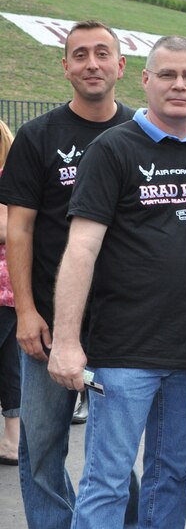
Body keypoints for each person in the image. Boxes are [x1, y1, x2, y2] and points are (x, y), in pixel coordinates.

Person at [47, 35, 186, 528]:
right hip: (122, 355)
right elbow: (80, 249)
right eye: (167, 74)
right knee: (108, 479)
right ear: (145, 79)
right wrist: (66, 342)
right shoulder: (113, 149)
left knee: (171, 477)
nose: (179, 85)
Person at [0, 20, 139, 529]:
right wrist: (27, 312)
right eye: (79, 54)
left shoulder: (143, 134)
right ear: (65, 67)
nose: (91, 63)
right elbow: (20, 230)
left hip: (124, 324)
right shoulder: (38, 137)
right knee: (41, 450)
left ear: (121, 66)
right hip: (48, 326)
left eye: (102, 53)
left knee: (116, 453)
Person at [0, 120, 20, 466]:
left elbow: (7, 229)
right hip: (11, 288)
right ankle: (13, 442)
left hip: (3, 286)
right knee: (9, 367)